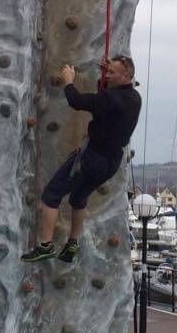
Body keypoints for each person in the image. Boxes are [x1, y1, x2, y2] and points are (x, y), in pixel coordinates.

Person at [21, 55, 142, 264]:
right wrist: (107, 75)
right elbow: (107, 99)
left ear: (126, 75)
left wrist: (69, 80)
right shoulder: (134, 98)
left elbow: (77, 101)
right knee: (78, 197)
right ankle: (72, 245)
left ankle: (45, 246)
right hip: (111, 163)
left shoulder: (110, 99)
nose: (108, 74)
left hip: (91, 157)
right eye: (108, 70)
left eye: (112, 72)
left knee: (52, 195)